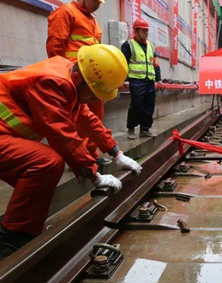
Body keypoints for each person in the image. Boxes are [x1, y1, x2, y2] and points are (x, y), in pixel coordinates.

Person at [0, 44, 142, 258]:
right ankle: (11, 238)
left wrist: (116, 153)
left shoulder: (70, 77)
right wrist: (94, 174)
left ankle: (24, 230)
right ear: (79, 80)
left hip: (5, 135)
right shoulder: (51, 83)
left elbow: (86, 119)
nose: (93, 101)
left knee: (40, 175)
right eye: (93, 96)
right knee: (46, 162)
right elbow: (62, 134)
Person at [46, 0, 109, 164]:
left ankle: (91, 156)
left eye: (99, 2)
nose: (98, 5)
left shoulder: (92, 21)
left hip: (91, 79)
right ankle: (78, 158)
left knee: (95, 117)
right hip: (73, 79)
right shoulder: (65, 13)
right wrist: (60, 76)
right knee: (77, 120)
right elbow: (55, 46)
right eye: (95, 0)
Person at [121, 18, 161, 139]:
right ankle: (131, 128)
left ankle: (145, 129)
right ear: (136, 31)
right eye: (143, 31)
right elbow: (123, 63)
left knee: (149, 105)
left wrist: (158, 78)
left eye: (147, 31)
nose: (146, 33)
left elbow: (155, 63)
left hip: (149, 80)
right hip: (136, 80)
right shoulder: (128, 45)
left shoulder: (151, 46)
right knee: (136, 104)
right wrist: (125, 78)